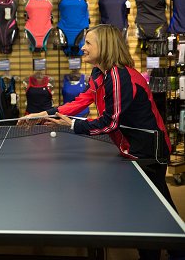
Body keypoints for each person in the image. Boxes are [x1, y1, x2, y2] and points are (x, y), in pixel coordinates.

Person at [19, 24, 184, 260]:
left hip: (148, 151)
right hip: (132, 147)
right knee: (160, 204)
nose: (82, 48)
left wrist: (73, 125)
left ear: (104, 47)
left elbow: (110, 123)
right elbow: (82, 100)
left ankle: (158, 254)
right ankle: (177, 250)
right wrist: (45, 114)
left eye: (88, 43)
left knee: (146, 210)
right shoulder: (100, 74)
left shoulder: (119, 76)